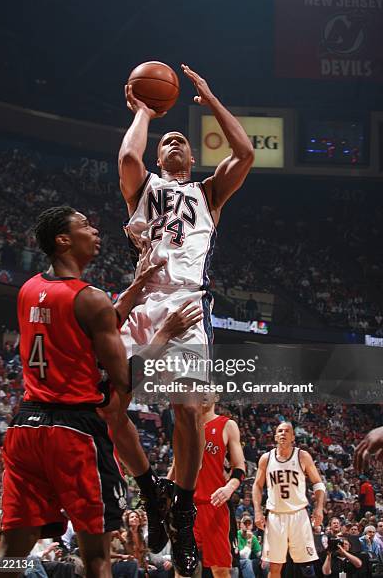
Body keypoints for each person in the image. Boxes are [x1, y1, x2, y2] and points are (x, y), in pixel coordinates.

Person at [0, 206, 199, 578]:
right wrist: (165, 334)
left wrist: (136, 288)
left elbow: (88, 320)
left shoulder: (29, 289)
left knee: (10, 556)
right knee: (97, 559)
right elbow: (126, 381)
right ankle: (154, 496)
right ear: (63, 240)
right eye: (85, 225)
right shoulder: (91, 298)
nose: (95, 230)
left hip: (25, 428)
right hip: (74, 434)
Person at [119, 64, 254, 574]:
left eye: (182, 140)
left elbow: (245, 154)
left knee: (189, 408)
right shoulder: (145, 187)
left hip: (187, 303)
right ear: (160, 154)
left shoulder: (208, 194)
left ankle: (179, 504)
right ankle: (150, 491)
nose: (174, 142)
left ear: (194, 156)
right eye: (167, 140)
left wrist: (211, 97)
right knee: (111, 405)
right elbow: (129, 155)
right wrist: (144, 112)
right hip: (142, 298)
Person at [168, 393, 245, 578]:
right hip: (185, 506)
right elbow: (176, 466)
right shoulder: (185, 426)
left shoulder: (227, 425)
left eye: (207, 389)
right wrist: (163, 492)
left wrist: (229, 488)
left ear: (216, 396)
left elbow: (240, 467)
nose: (202, 393)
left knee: (220, 569)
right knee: (183, 570)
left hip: (214, 506)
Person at [252, 422, 325, 578]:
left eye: (287, 431)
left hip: (298, 514)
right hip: (275, 516)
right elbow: (257, 486)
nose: (283, 433)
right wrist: (258, 511)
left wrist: (319, 508)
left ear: (293, 437)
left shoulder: (303, 456)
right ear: (275, 436)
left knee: (306, 566)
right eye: (280, 431)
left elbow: (318, 483)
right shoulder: (266, 458)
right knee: (275, 567)